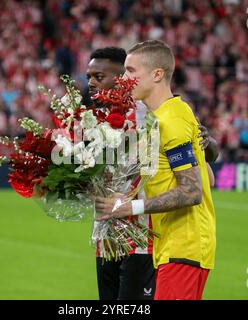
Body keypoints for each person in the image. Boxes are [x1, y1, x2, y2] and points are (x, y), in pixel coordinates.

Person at [88, 46, 217, 300]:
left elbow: (193, 191)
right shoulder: (166, 117)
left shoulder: (172, 119)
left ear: (157, 74)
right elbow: (207, 178)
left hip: (184, 248)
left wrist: (129, 207)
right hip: (170, 248)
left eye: (131, 71)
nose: (124, 79)